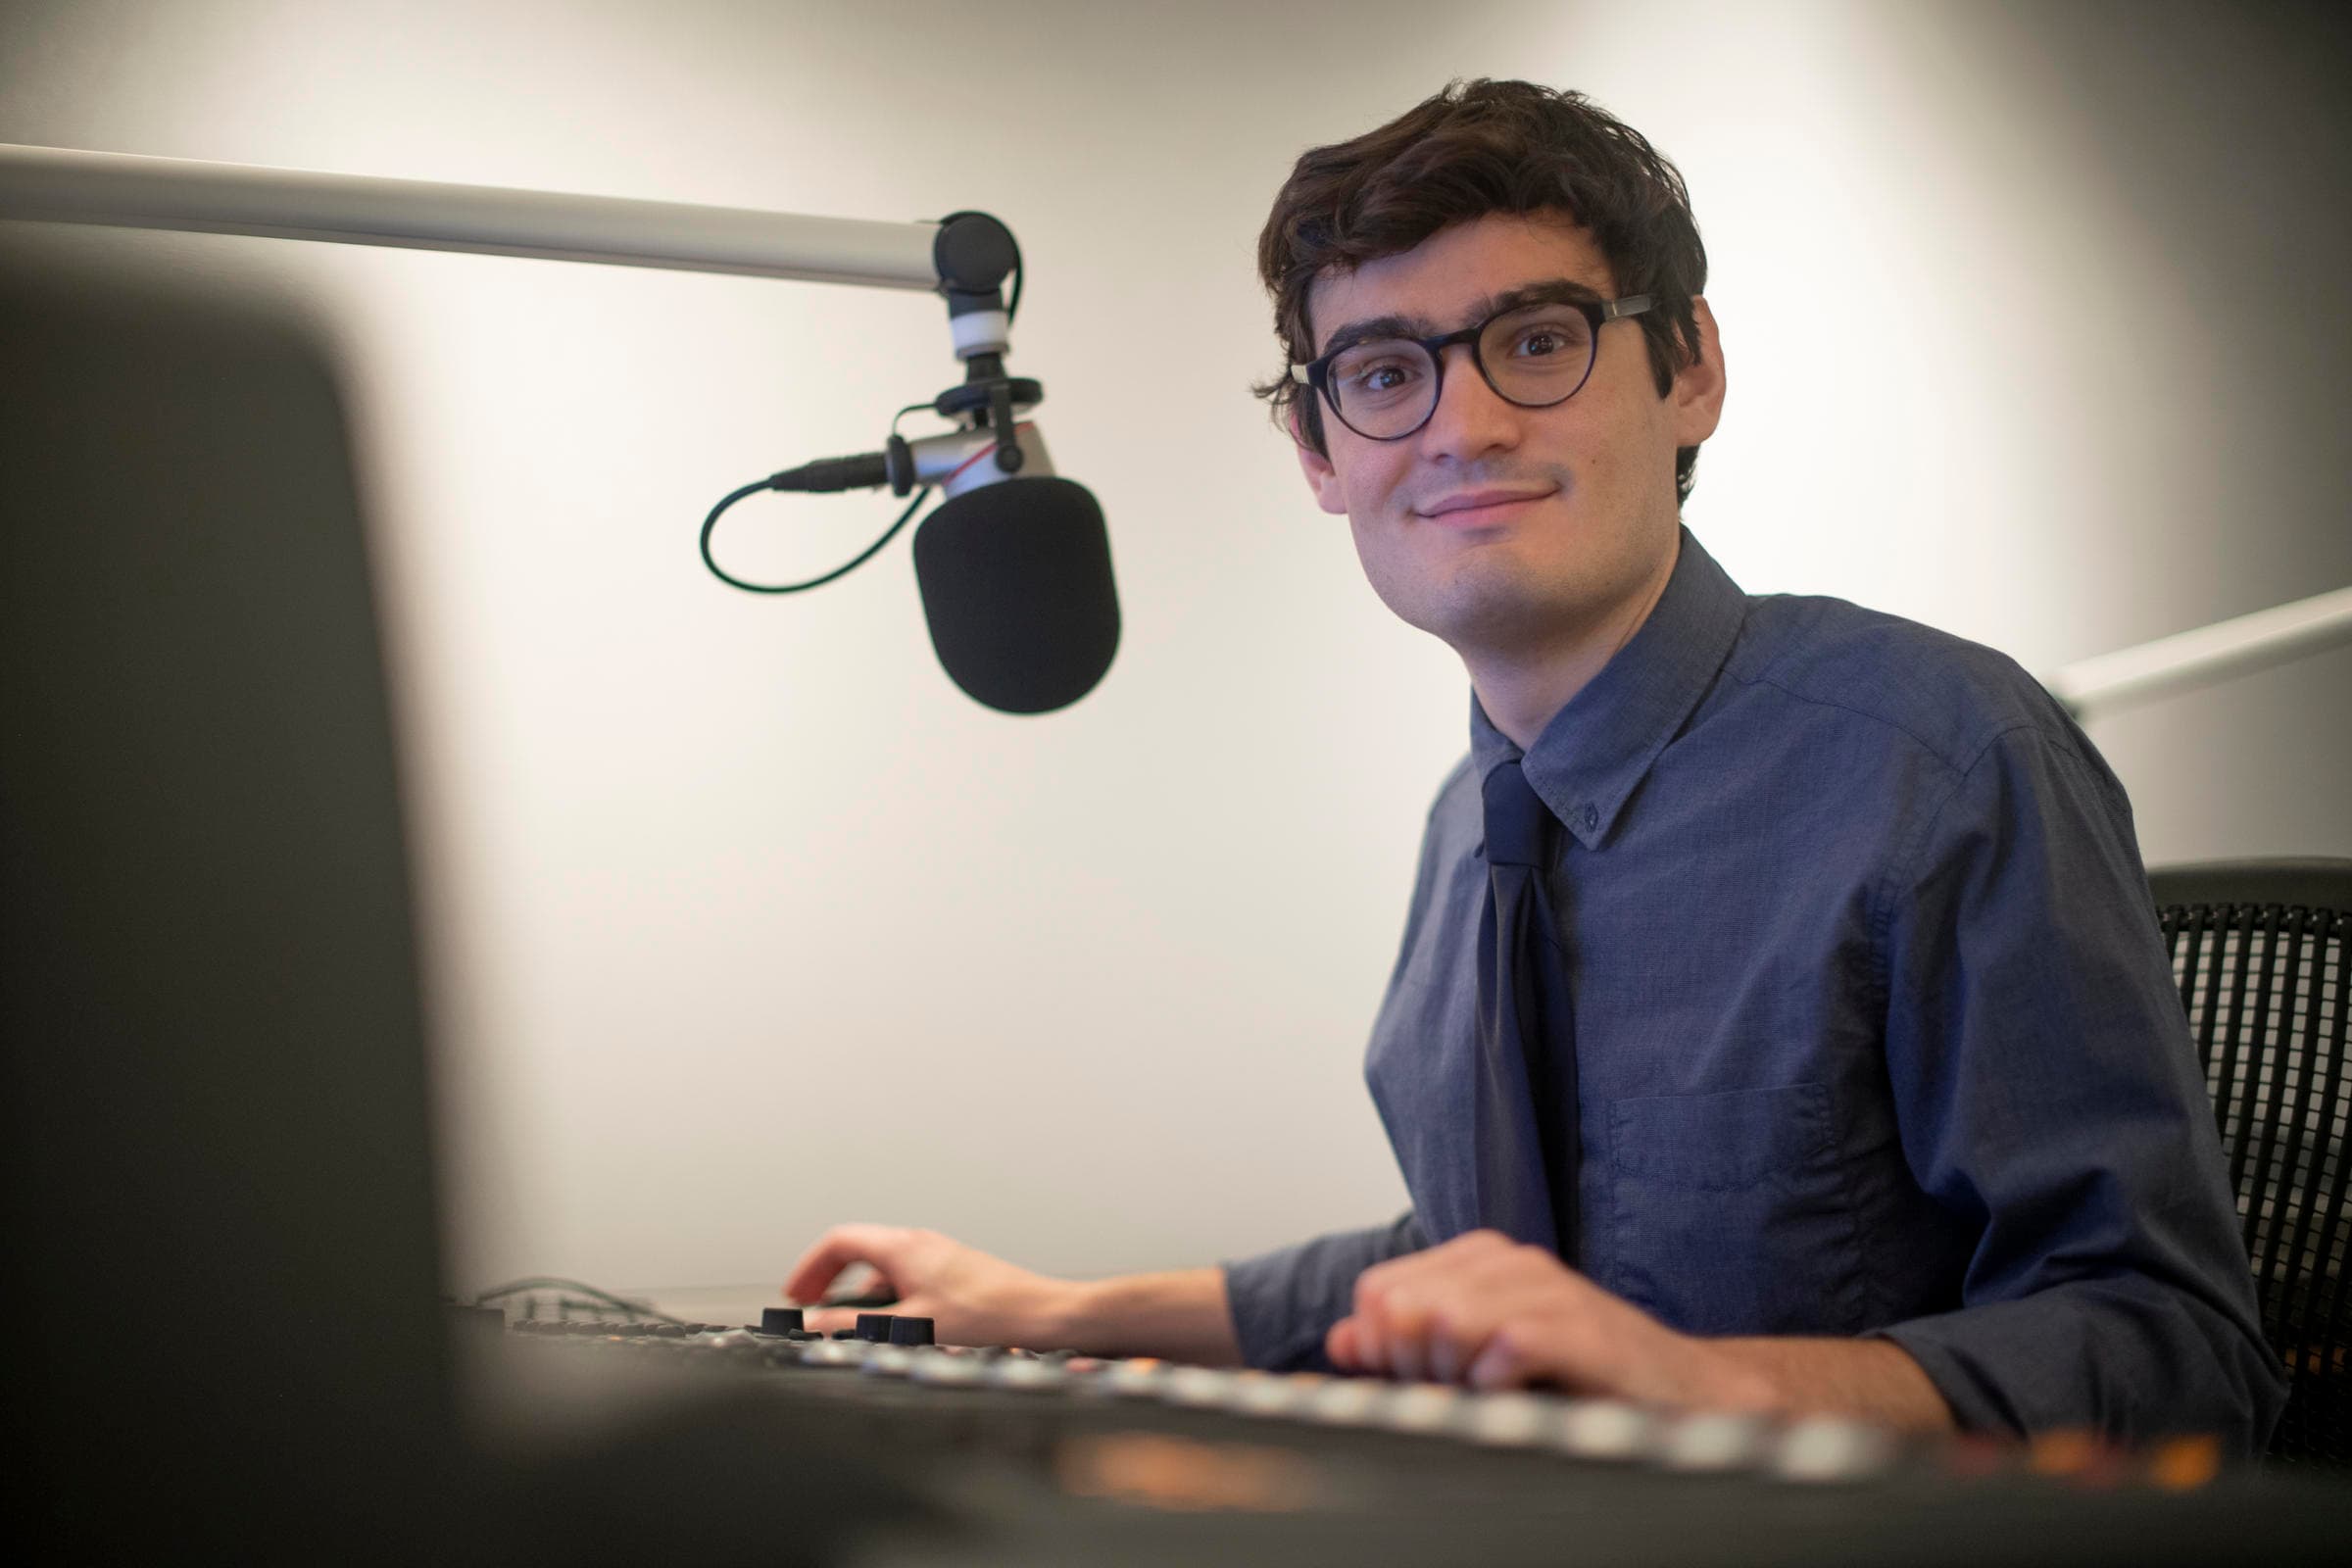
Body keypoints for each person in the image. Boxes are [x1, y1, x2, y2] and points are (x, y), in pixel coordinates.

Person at [785, 79, 2285, 1452]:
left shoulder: (1944, 760)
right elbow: (1466, 1259)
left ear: (1688, 370)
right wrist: (1047, 1313)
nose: (1467, 424)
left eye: (1538, 340)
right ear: (1321, 456)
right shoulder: (1474, 823)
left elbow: (2177, 1354)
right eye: (1383, 373)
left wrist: (1699, 1386)